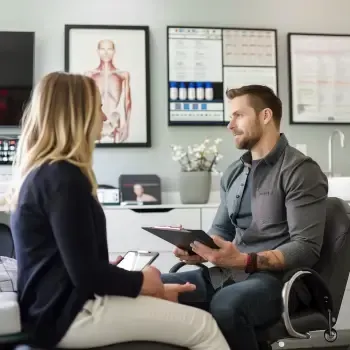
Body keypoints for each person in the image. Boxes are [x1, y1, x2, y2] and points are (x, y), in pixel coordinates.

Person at [7, 72, 230, 350]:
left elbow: (65, 265)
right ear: (79, 114)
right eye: (99, 107)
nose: (104, 116)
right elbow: (87, 276)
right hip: (68, 316)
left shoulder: (44, 175)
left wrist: (146, 288)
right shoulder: (64, 179)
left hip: (54, 311)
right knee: (204, 326)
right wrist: (144, 282)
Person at [162, 85, 328, 350]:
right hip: (226, 275)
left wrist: (243, 260)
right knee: (154, 288)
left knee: (227, 306)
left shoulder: (300, 170)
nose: (230, 125)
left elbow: (306, 247)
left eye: (238, 115)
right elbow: (220, 233)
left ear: (265, 116)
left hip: (278, 282)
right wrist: (198, 250)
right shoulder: (234, 173)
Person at [85, 39, 131, 143]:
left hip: (114, 121)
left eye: (109, 49)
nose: (106, 53)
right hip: (96, 122)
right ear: (98, 51)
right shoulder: (90, 75)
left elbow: (127, 101)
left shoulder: (122, 74)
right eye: (102, 49)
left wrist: (127, 125)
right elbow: (86, 102)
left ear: (114, 51)